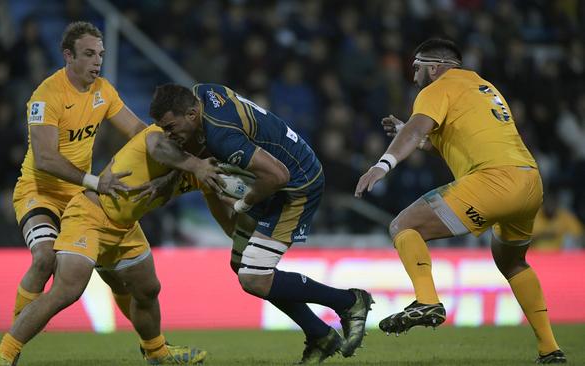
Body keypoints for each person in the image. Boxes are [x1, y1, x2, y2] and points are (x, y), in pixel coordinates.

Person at [354, 38, 565, 364]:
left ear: (434, 67)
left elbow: (414, 131)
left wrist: (383, 164)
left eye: (417, 68)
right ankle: (550, 349)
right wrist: (417, 136)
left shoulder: (436, 89)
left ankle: (426, 300)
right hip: (530, 181)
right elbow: (458, 139)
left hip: (493, 181)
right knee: (511, 262)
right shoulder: (482, 86)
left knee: (403, 225)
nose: (414, 76)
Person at [149, 83, 374, 363]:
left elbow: (278, 176)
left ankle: (349, 302)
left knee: (254, 277)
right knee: (243, 265)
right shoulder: (202, 93)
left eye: (170, 127)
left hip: (296, 185)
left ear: (193, 114)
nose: (168, 135)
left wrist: (243, 203)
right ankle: (320, 334)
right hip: (268, 180)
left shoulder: (222, 135)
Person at [0, 124, 226, 366]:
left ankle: (157, 352)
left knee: (147, 289)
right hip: (90, 215)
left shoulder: (201, 170)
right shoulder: (158, 140)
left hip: (126, 227)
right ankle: (4, 354)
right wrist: (194, 164)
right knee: (67, 290)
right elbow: (157, 145)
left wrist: (240, 237)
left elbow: (222, 206)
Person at [10, 21, 149, 324]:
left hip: (77, 195)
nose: (97, 61)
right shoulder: (46, 96)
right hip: (39, 192)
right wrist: (95, 182)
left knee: (116, 275)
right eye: (88, 54)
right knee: (45, 258)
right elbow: (46, 158)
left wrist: (168, 142)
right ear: (68, 57)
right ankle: (14, 339)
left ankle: (155, 348)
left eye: (100, 53)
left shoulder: (103, 91)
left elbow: (138, 131)